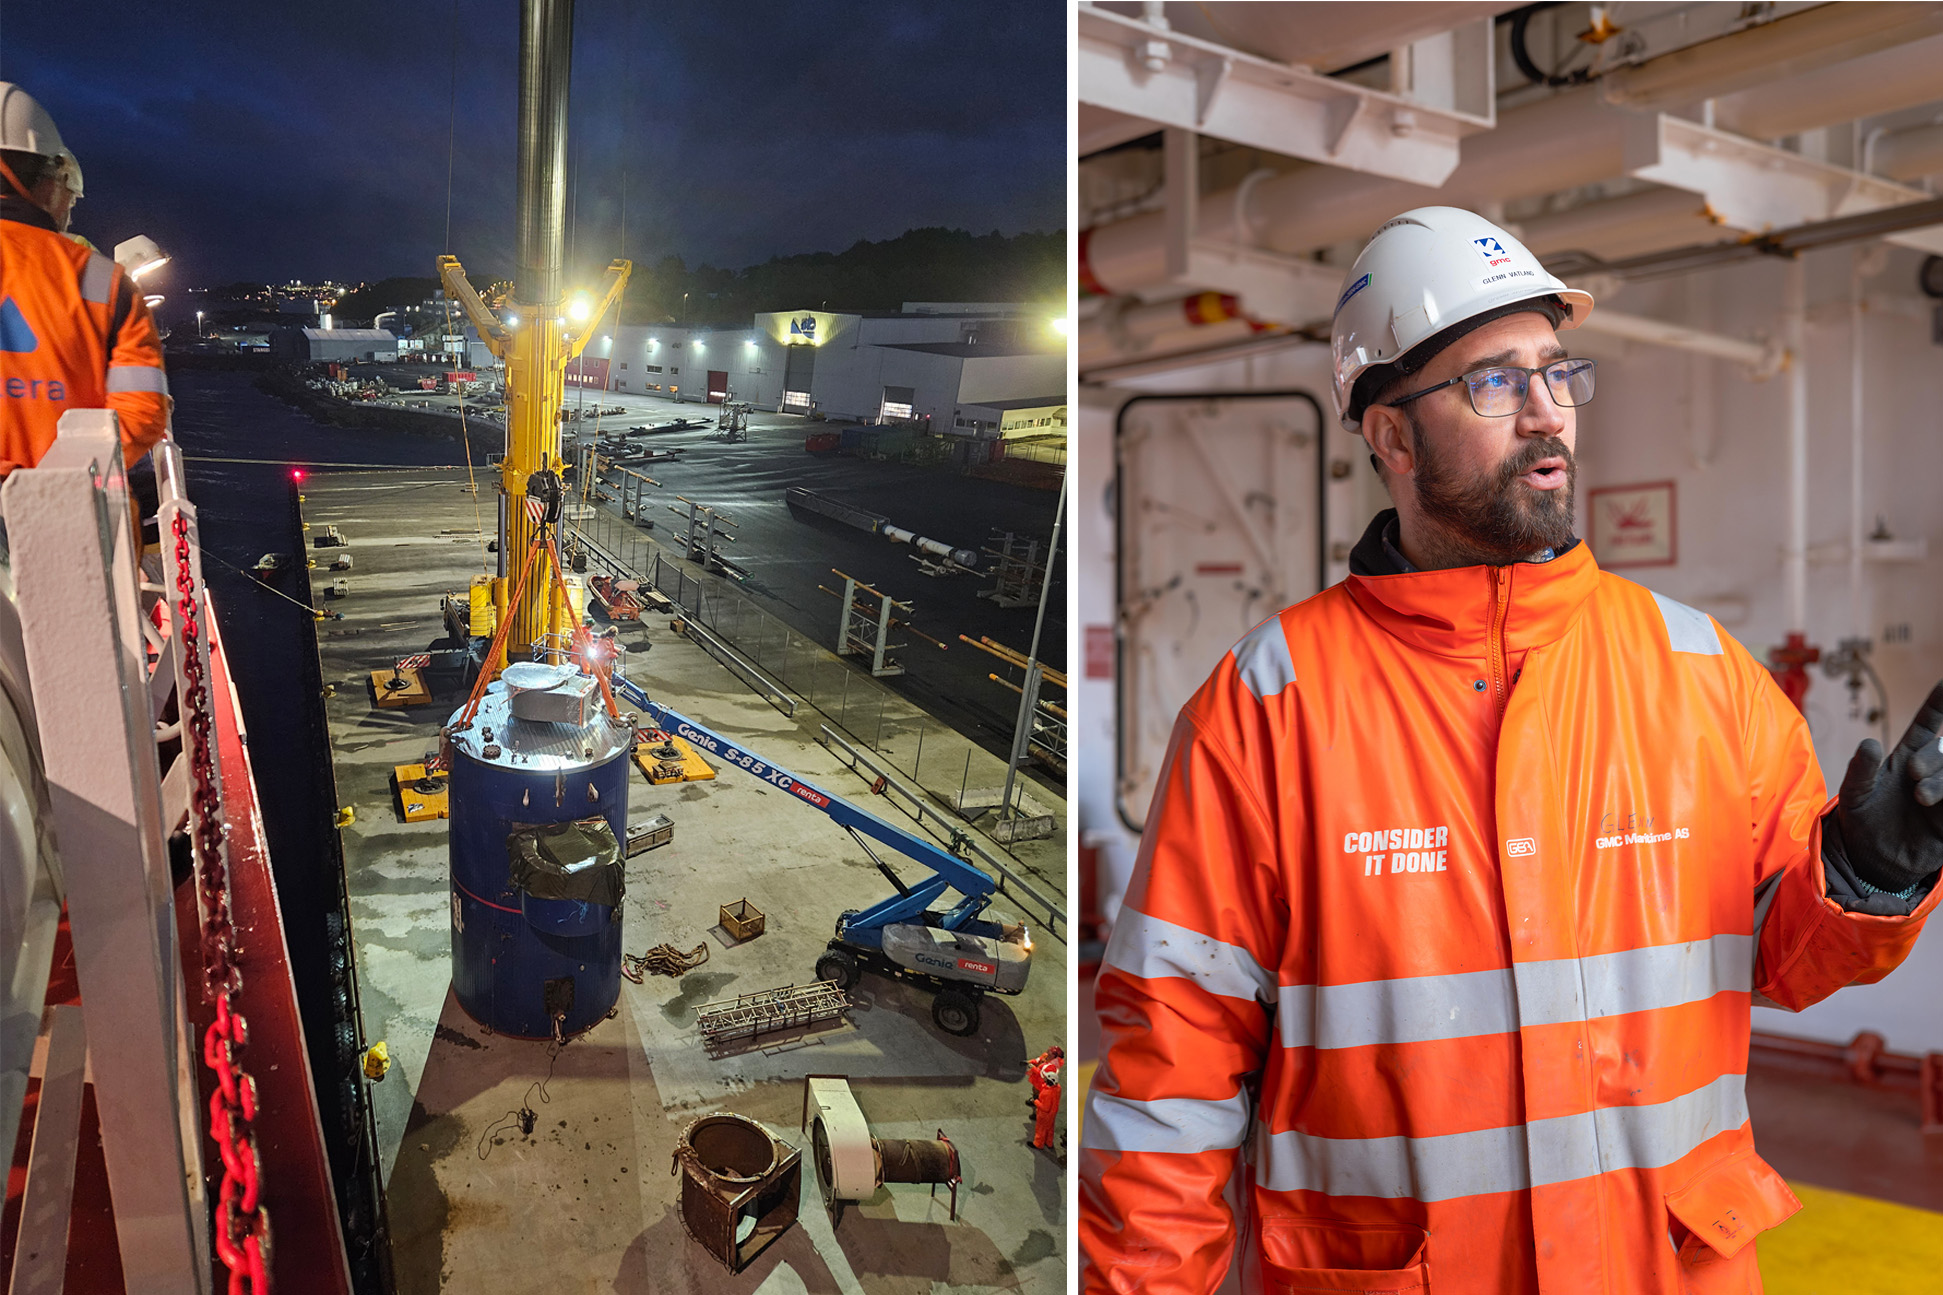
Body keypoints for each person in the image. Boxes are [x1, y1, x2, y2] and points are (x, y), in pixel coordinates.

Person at [1079, 206, 1943, 1294]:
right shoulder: (1267, 706)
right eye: (1493, 382)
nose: (1546, 415)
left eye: (1555, 372)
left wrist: (1871, 873)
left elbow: (1780, 958)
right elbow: (1171, 1073)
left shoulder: (1696, 669)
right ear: (1389, 436)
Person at [0, 82, 170, 478]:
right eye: (63, 181)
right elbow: (144, 410)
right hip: (68, 525)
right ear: (43, 179)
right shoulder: (101, 280)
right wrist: (54, 482)